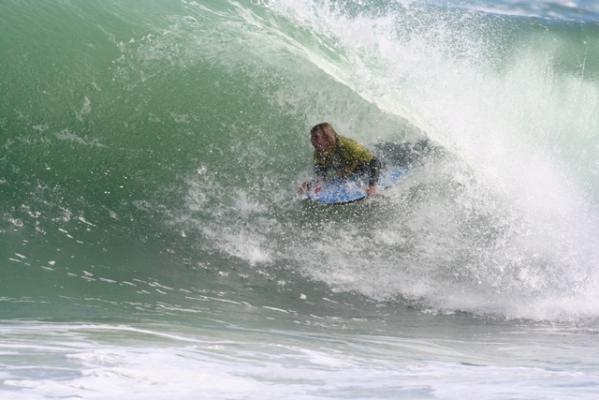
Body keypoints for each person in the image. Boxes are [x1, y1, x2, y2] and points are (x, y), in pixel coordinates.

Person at [300, 122, 382, 196]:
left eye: (316, 137)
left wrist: (372, 186)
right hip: (349, 173)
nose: (312, 141)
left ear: (327, 137)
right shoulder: (320, 151)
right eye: (312, 137)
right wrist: (314, 185)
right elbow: (321, 170)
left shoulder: (348, 145)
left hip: (366, 170)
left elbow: (375, 161)